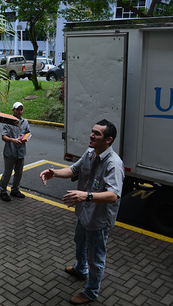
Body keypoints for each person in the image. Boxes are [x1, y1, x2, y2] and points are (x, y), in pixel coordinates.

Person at [40, 119, 124, 305]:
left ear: (108, 140)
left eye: (97, 133)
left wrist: (86, 196)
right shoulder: (89, 153)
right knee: (79, 242)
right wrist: (54, 172)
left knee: (96, 257)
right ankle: (80, 269)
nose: (91, 135)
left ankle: (91, 291)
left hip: (98, 219)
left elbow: (112, 196)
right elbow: (73, 169)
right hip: (84, 212)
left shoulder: (113, 164)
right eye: (92, 131)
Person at [0, 102, 31, 202]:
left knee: (19, 172)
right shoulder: (8, 121)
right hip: (10, 152)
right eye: (17, 110)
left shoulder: (25, 122)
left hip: (21, 151)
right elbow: (4, 137)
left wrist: (25, 138)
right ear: (13, 110)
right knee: (7, 172)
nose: (20, 112)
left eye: (21, 109)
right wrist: (13, 140)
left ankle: (15, 190)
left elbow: (28, 133)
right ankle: (3, 191)